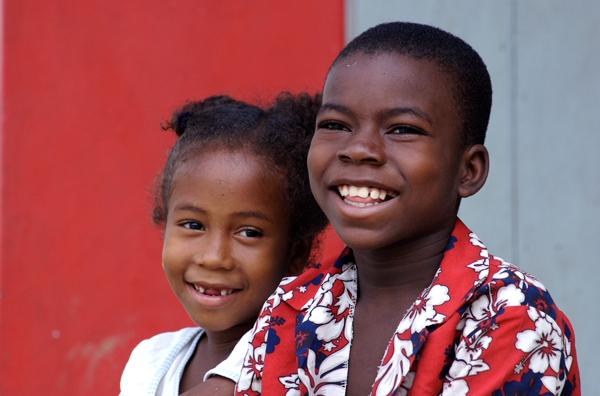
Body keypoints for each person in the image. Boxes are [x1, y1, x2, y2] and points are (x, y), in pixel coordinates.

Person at [235, 22, 580, 396]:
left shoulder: (511, 315)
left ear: (468, 170)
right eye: (335, 124)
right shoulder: (290, 306)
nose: (359, 149)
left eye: (402, 130)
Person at [119, 93, 329, 396]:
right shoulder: (149, 363)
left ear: (296, 252)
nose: (214, 258)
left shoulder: (305, 364)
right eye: (193, 225)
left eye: (248, 233)